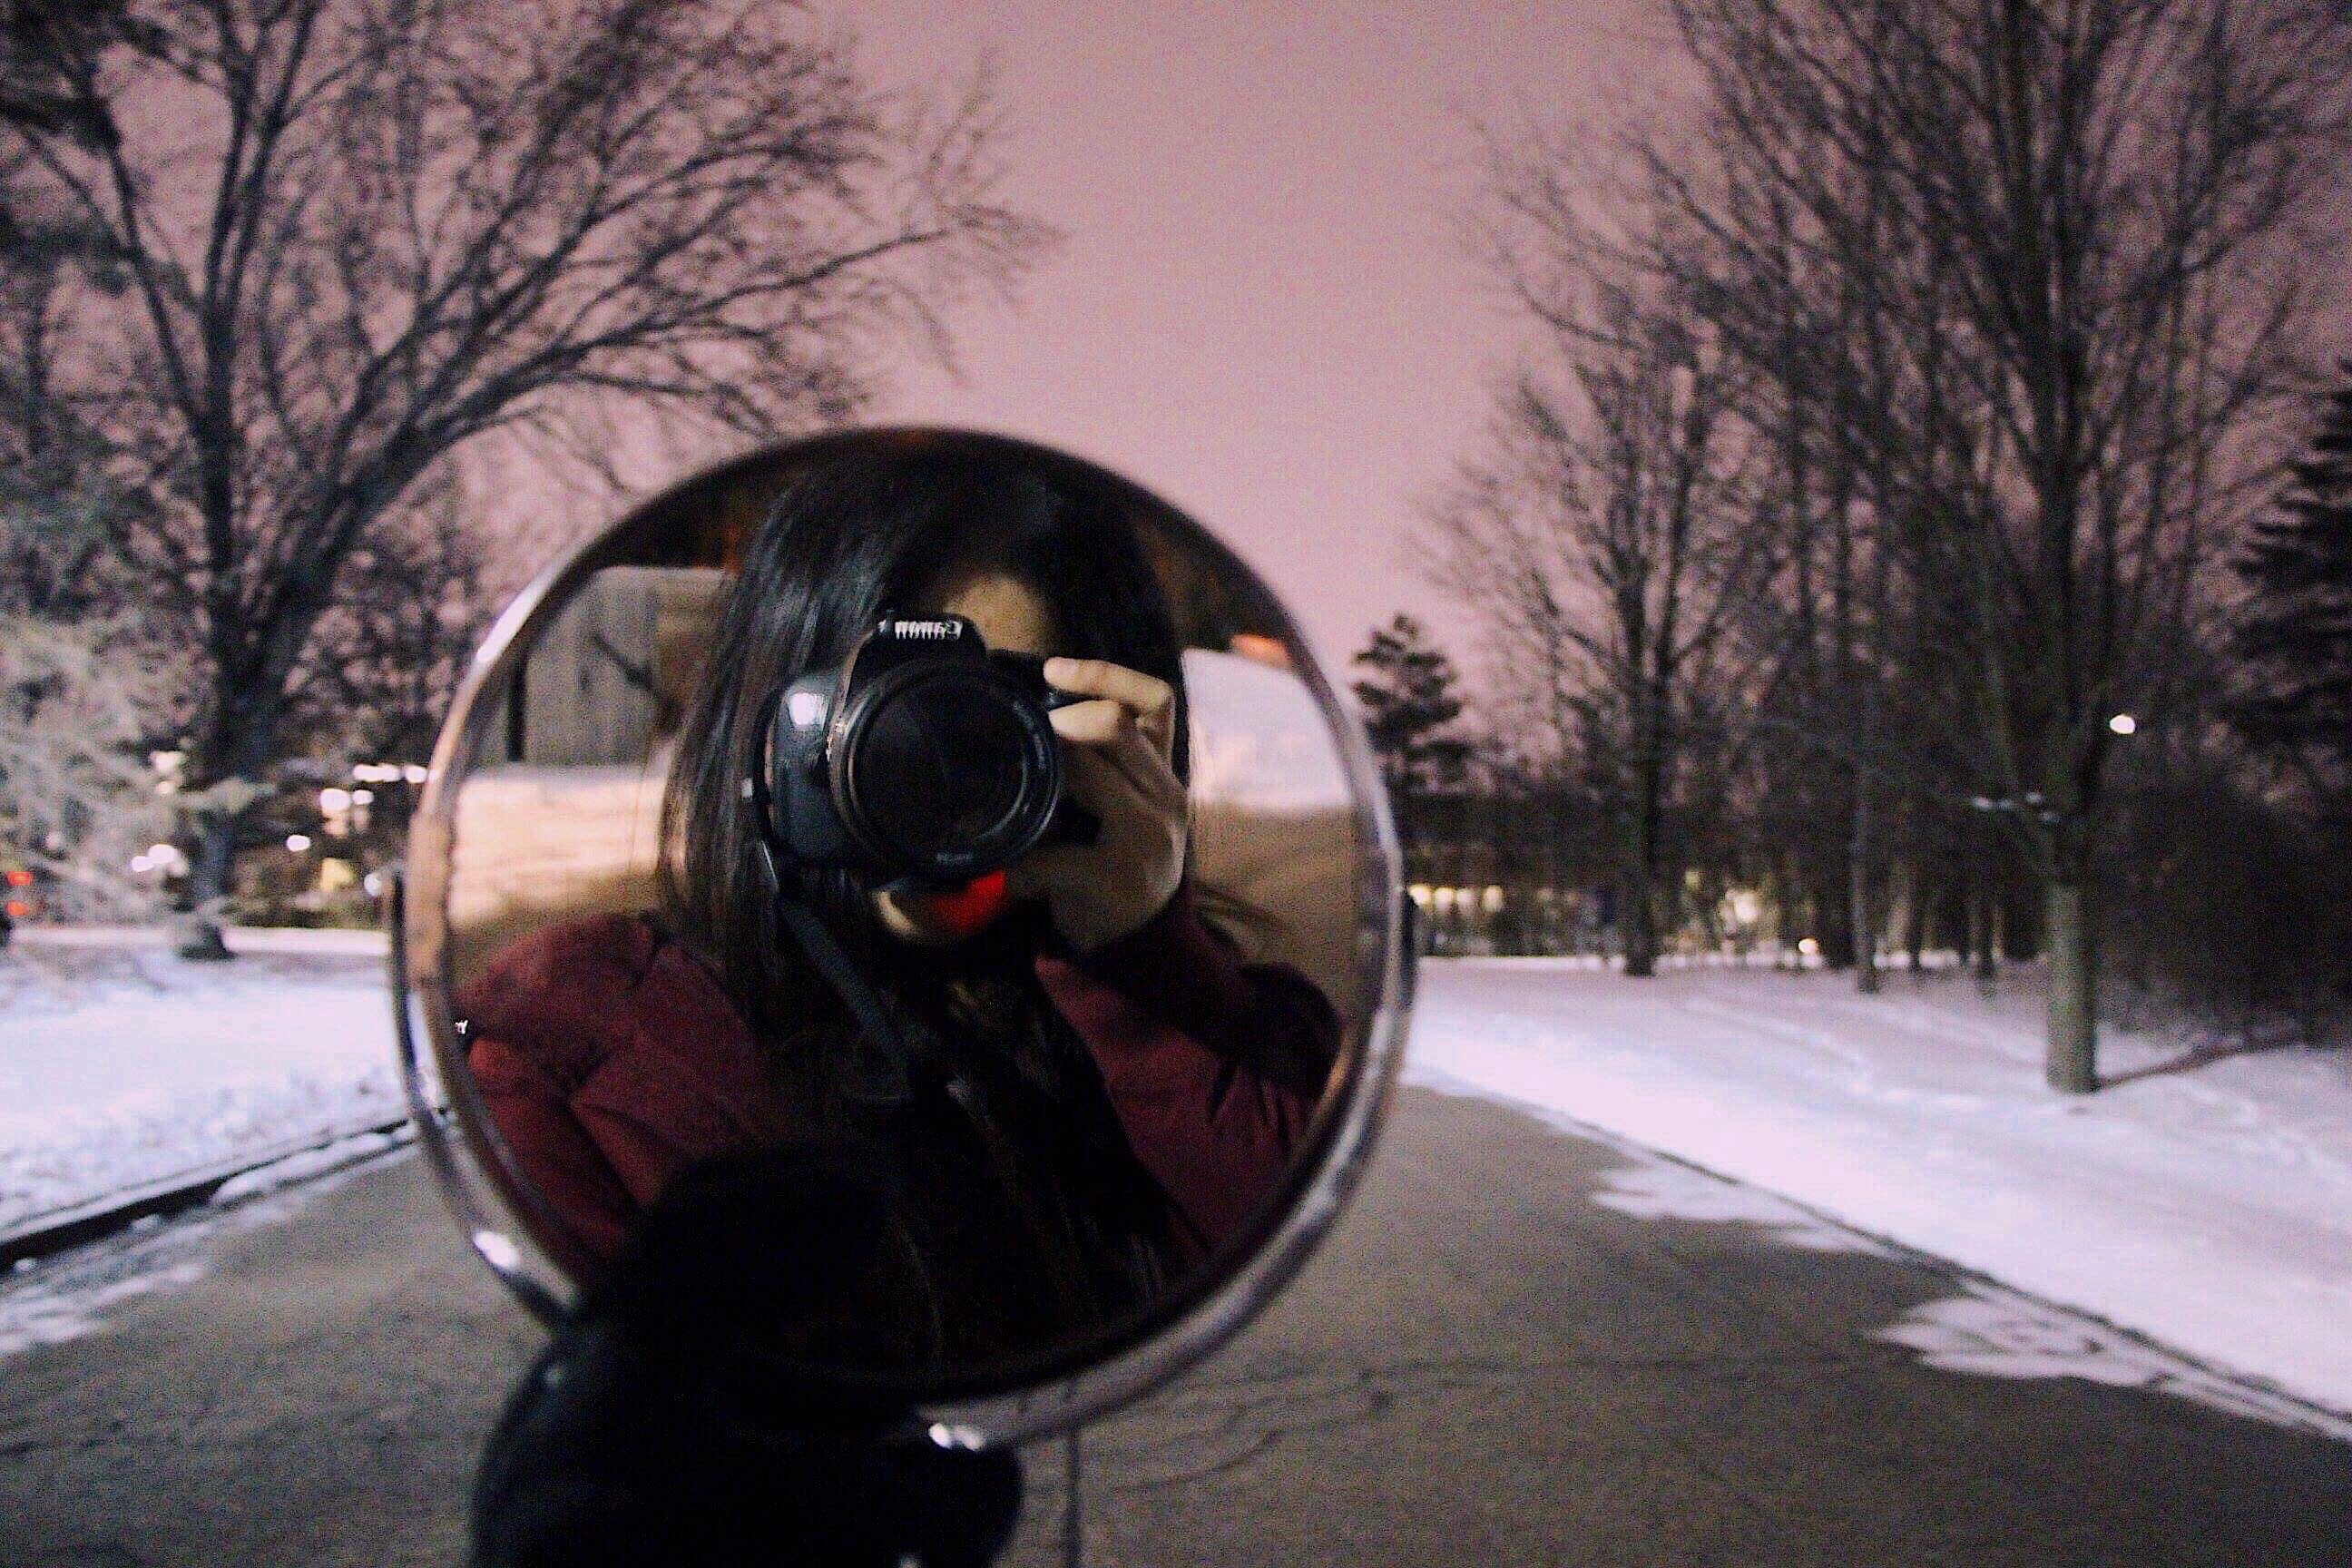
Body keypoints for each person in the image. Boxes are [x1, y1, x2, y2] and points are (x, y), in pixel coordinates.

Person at [456, 443, 1340, 1375]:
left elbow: (1265, 1298)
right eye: (893, 720)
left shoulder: (1230, 1035)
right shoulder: (589, 1063)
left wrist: (1146, 959)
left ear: (1117, 743)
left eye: (988, 724)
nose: (937, 781)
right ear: (768, 737)